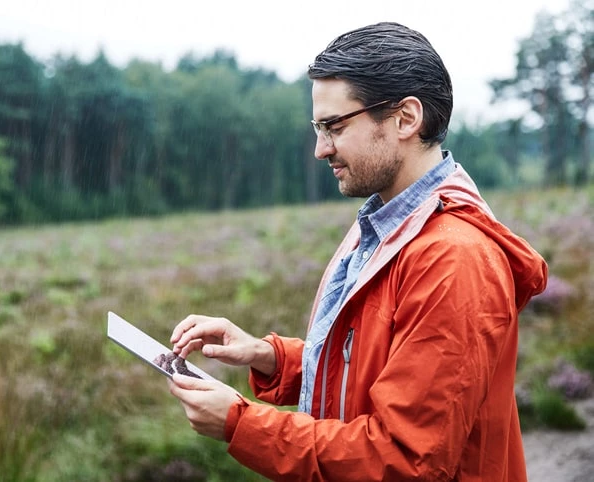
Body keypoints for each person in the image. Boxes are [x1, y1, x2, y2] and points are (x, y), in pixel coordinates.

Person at [167, 21, 548, 481]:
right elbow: (373, 372)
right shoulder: (388, 226)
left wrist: (241, 425)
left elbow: (406, 460)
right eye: (317, 127)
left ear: (406, 118)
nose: (319, 149)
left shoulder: (453, 259)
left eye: (334, 126)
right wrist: (268, 357)